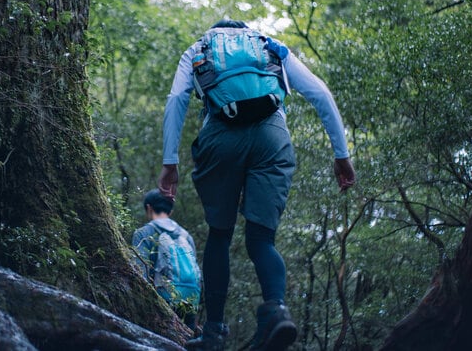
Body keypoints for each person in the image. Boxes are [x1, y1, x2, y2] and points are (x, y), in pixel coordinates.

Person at [158, 19, 356, 351]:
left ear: (217, 32)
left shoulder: (198, 49)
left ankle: (213, 334)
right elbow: (320, 92)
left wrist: (170, 162)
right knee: (262, 239)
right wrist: (341, 155)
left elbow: (177, 97)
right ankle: (276, 312)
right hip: (272, 136)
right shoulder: (268, 45)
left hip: (219, 136)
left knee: (220, 234)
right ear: (245, 31)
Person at [132, 189, 202, 332]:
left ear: (149, 208)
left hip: (163, 298)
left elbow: (140, 272)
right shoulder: (186, 236)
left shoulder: (144, 233)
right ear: (170, 211)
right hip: (192, 298)